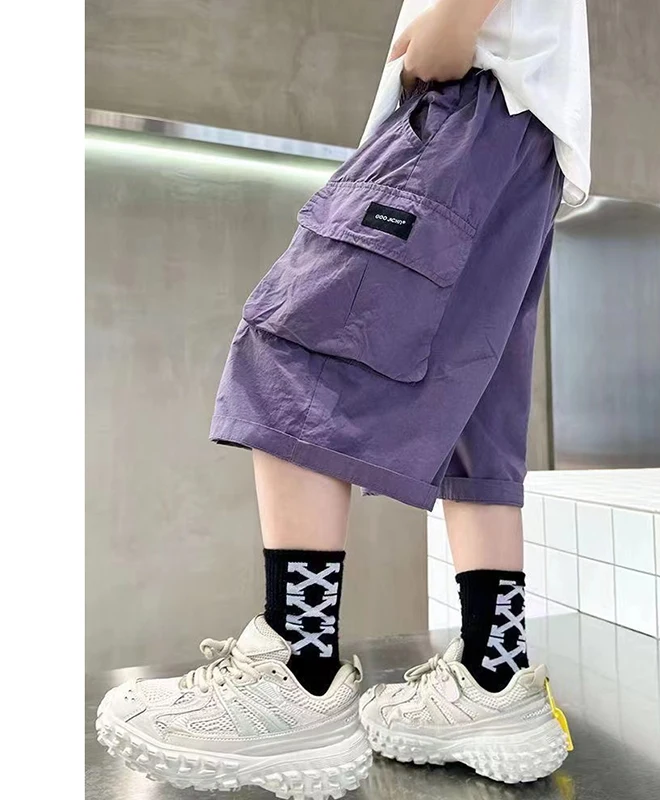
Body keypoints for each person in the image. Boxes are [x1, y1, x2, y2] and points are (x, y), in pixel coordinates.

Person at [96, 0, 591, 796]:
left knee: (291, 347)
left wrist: (456, 17)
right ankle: (492, 677)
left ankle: (299, 674)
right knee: (474, 415)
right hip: (531, 137)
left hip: (474, 99)